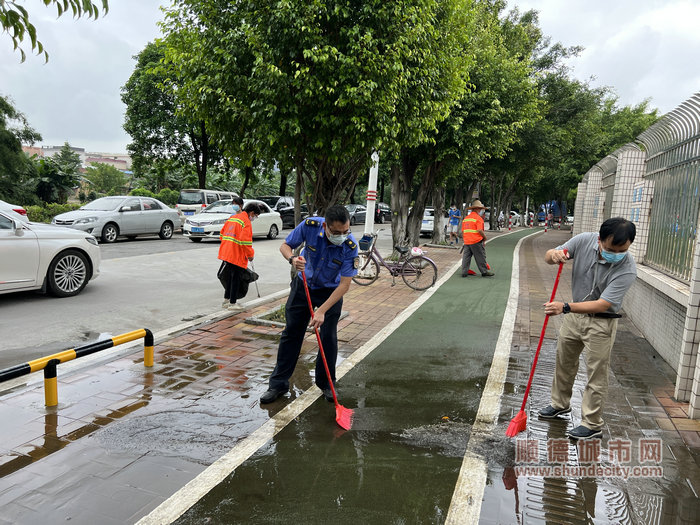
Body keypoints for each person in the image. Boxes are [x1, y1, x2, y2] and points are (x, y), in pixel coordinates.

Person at [538, 217, 637, 440]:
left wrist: (565, 307)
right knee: (564, 362)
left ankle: (592, 424)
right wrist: (554, 255)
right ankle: (560, 404)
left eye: (623, 249)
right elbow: (548, 256)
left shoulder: (627, 268)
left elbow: (603, 303)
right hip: (574, 317)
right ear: (600, 239)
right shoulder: (584, 241)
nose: (617, 254)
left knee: (596, 374)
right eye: (612, 249)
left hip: (602, 322)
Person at [260, 205, 359, 404]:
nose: (342, 235)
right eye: (337, 232)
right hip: (303, 285)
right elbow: (285, 246)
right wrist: (293, 259)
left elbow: (345, 285)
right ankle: (277, 384)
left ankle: (327, 383)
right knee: (292, 334)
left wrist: (321, 311)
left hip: (331, 292)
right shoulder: (311, 226)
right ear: (326, 227)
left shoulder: (350, 246)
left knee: (328, 336)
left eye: (346, 231)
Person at [217, 200, 262, 311]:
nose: (254, 218)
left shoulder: (233, 218)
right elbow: (245, 241)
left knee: (230, 277)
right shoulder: (245, 222)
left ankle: (226, 301)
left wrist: (229, 244)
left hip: (226, 252)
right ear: (251, 213)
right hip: (235, 254)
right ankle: (233, 303)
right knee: (236, 278)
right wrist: (250, 255)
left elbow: (222, 234)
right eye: (255, 216)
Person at [461, 199, 494, 277]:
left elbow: (463, 231)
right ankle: (484, 271)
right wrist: (484, 238)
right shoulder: (478, 218)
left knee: (466, 257)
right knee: (480, 256)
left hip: (467, 241)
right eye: (480, 208)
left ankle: (464, 272)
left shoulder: (466, 218)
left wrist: (465, 239)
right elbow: (479, 230)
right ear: (476, 209)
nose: (481, 210)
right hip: (476, 241)